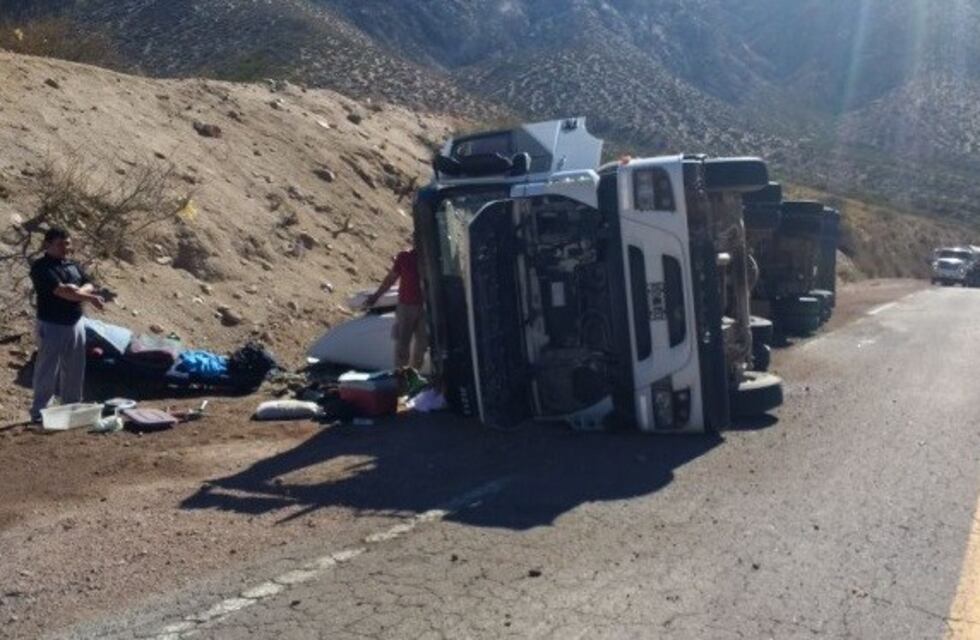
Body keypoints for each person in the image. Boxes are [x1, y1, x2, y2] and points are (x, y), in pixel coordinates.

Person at [29, 227, 105, 422]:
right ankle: (40, 413)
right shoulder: (42, 267)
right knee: (47, 369)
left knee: (74, 368)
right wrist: (88, 297)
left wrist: (81, 291)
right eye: (60, 244)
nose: (65, 248)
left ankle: (71, 408)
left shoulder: (72, 265)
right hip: (52, 324)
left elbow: (88, 283)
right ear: (47, 244)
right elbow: (62, 292)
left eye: (67, 243)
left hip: (75, 322)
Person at [364, 247, 428, 370]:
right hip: (406, 306)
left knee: (422, 345)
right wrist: (376, 295)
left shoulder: (431, 259)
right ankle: (401, 377)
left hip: (425, 307)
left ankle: (415, 376)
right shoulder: (405, 257)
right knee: (402, 344)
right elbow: (391, 279)